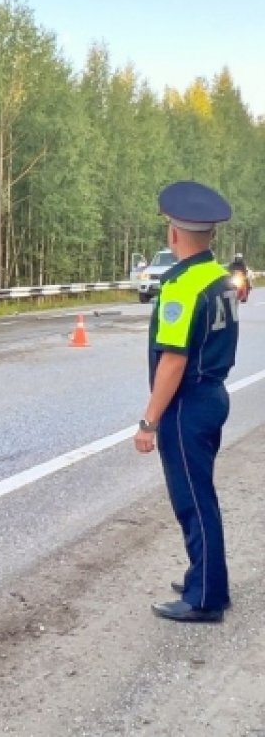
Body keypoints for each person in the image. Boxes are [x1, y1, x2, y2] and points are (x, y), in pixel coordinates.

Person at [134, 180, 238, 623]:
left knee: (192, 500)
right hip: (213, 395)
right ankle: (207, 576)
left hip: (187, 404)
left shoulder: (181, 287)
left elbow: (173, 362)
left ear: (174, 234)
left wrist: (149, 421)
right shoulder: (218, 277)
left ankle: (204, 598)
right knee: (202, 495)